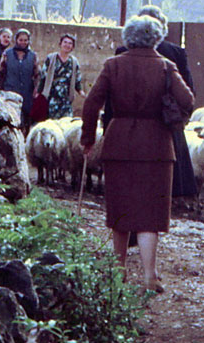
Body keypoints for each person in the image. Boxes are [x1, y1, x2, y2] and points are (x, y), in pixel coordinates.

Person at [80, 15, 194, 293]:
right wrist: (175, 120)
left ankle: (118, 273)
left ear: (127, 38)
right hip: (157, 146)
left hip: (118, 143)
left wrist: (87, 139)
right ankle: (149, 276)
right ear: (156, 38)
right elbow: (188, 101)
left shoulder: (113, 65)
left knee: (120, 209)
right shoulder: (167, 67)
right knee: (151, 214)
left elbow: (91, 103)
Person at [113, 4, 198, 200]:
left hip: (128, 123)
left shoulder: (121, 52)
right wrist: (180, 116)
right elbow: (188, 92)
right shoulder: (175, 53)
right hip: (166, 120)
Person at [0, 28, 40, 131]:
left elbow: (37, 75)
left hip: (27, 94)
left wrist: (37, 90)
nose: (23, 42)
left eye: (25, 40)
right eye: (21, 40)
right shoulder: (7, 54)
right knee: (11, 119)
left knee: (26, 121)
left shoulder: (33, 56)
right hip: (10, 91)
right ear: (16, 40)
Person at [37, 34, 83, 119]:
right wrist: (38, 92)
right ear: (60, 44)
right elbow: (43, 77)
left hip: (66, 100)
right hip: (51, 98)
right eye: (65, 42)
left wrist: (81, 92)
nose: (67, 45)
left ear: (72, 47)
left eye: (70, 43)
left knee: (66, 123)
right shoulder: (51, 58)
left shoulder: (74, 62)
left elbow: (77, 80)